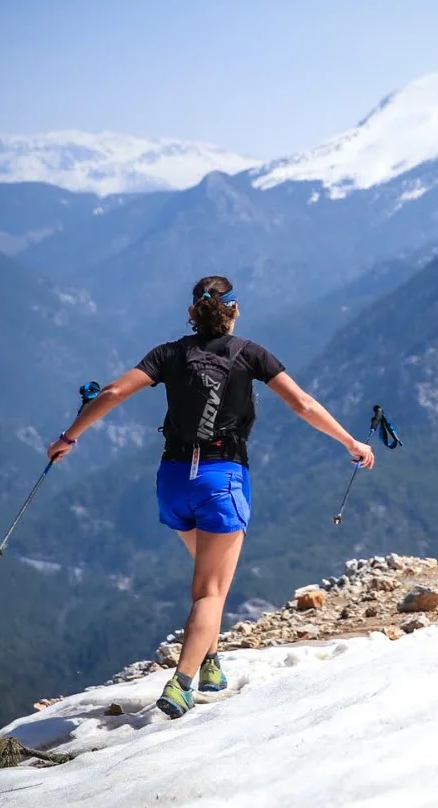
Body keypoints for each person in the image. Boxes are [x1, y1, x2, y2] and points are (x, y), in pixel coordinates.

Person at [45, 275, 375, 718]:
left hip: (174, 481)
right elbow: (303, 405)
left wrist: (70, 437)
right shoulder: (251, 354)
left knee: (206, 574)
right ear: (234, 310)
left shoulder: (169, 353)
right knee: (211, 592)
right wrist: (351, 443)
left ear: (191, 312)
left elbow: (114, 392)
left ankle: (212, 663)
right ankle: (182, 682)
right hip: (222, 480)